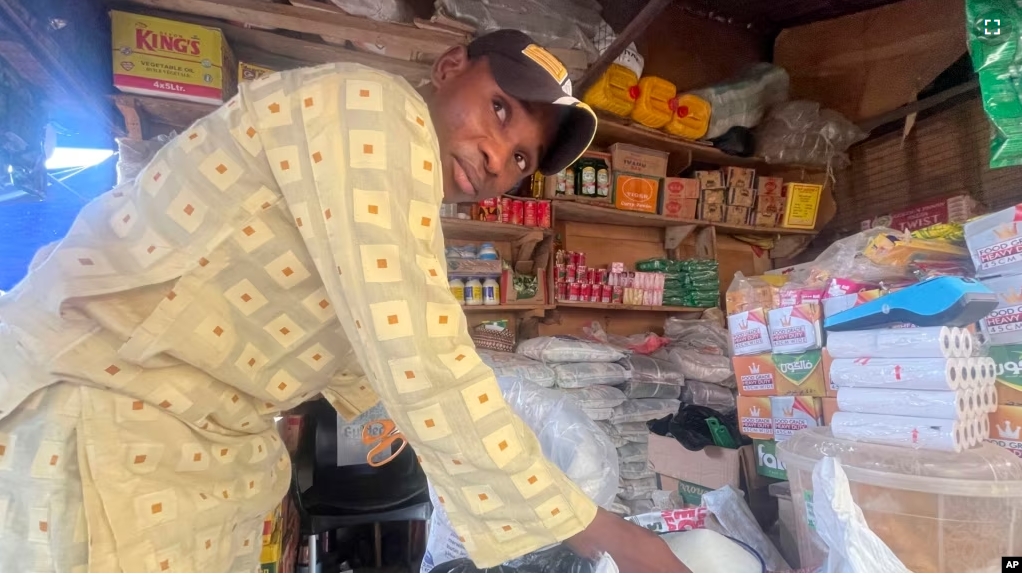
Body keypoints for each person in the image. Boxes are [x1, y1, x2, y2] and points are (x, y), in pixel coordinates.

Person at [0, 29, 688, 572]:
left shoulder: (397, 180)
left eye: (518, 160)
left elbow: (358, 330)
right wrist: (600, 529)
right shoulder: (372, 109)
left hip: (185, 444)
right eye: (499, 109)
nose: (494, 157)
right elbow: (415, 343)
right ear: (450, 68)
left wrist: (391, 410)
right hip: (103, 412)